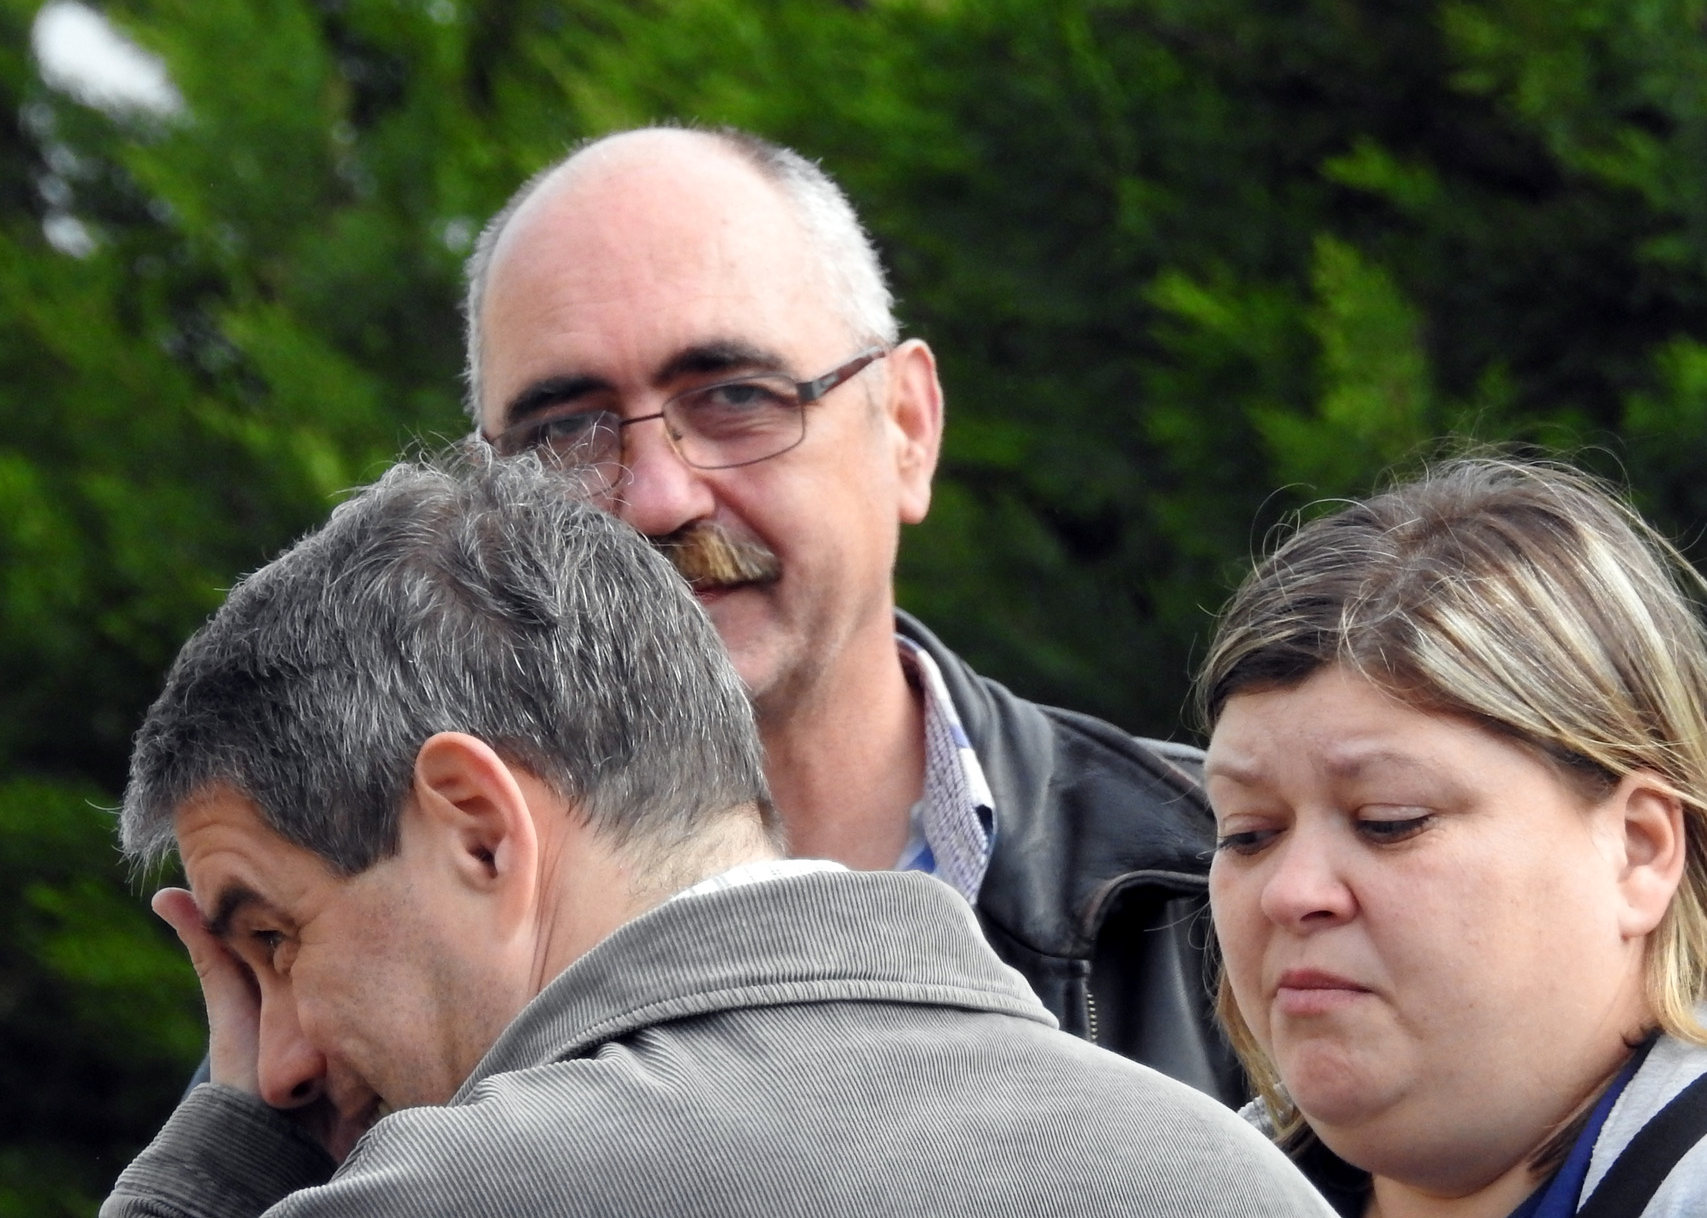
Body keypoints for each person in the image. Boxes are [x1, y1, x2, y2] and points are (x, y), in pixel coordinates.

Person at [104, 451, 1330, 1218]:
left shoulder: (450, 1195)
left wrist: (220, 1163)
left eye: (277, 939)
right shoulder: (1224, 1173)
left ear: (479, 830)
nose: (277, 1061)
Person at [462, 124, 1237, 1100]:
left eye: (735, 396)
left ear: (907, 426)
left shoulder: (1219, 884)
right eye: (566, 432)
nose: (659, 497)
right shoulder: (397, 972)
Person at [1197, 457, 1707, 1218]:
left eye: (1389, 822)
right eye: (1248, 835)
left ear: (1638, 850)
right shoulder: (1160, 1183)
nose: (1292, 892)